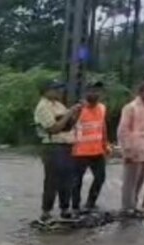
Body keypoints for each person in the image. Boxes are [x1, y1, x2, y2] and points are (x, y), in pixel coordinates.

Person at [34, 80, 82, 221]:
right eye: (55, 89)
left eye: (58, 89)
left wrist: (76, 113)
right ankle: (46, 211)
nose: (58, 91)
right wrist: (69, 113)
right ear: (46, 91)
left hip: (66, 145)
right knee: (52, 180)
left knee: (67, 179)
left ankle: (64, 208)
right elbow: (53, 129)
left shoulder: (58, 105)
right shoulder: (43, 107)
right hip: (53, 146)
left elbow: (70, 124)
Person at [117, 78, 144, 215]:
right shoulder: (131, 108)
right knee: (129, 182)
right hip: (134, 150)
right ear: (141, 92)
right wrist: (127, 151)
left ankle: (134, 205)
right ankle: (126, 208)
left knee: (140, 180)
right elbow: (123, 131)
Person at [71, 80, 111, 214]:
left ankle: (90, 204)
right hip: (80, 151)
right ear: (85, 92)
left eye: (97, 91)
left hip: (97, 151)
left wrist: (106, 145)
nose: (95, 93)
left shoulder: (102, 108)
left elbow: (102, 127)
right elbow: (69, 128)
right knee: (77, 181)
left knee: (100, 177)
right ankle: (75, 207)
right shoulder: (78, 109)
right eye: (92, 90)